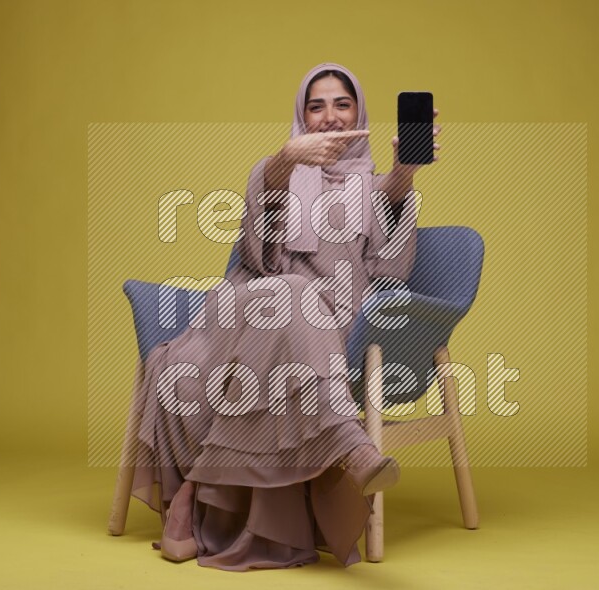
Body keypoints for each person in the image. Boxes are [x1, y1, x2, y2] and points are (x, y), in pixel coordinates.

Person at [128, 62, 441, 570]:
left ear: (360, 112)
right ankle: (348, 444)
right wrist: (282, 160)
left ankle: (190, 494)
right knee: (289, 291)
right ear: (301, 116)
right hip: (247, 309)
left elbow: (391, 271)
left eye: (343, 104)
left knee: (296, 303)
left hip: (327, 328)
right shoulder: (280, 171)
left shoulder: (377, 189)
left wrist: (404, 175)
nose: (331, 117)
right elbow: (254, 256)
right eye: (316, 106)